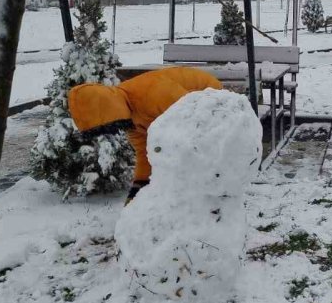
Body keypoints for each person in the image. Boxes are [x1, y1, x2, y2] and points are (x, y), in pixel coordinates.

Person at [67, 66, 222, 203]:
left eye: (109, 126)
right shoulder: (130, 119)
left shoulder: (153, 93)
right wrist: (138, 187)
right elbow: (144, 153)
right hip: (192, 114)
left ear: (110, 111)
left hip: (210, 97)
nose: (113, 130)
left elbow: (191, 118)